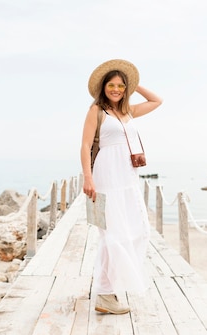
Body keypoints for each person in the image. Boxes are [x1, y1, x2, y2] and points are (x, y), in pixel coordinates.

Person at [80, 59, 162, 314]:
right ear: (103, 87)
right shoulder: (97, 111)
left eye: (120, 86)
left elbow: (157, 100)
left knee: (138, 231)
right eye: (112, 85)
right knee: (112, 233)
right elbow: (84, 146)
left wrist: (134, 85)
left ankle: (110, 288)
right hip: (107, 173)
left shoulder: (128, 112)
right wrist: (88, 178)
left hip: (127, 175)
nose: (116, 89)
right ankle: (105, 294)